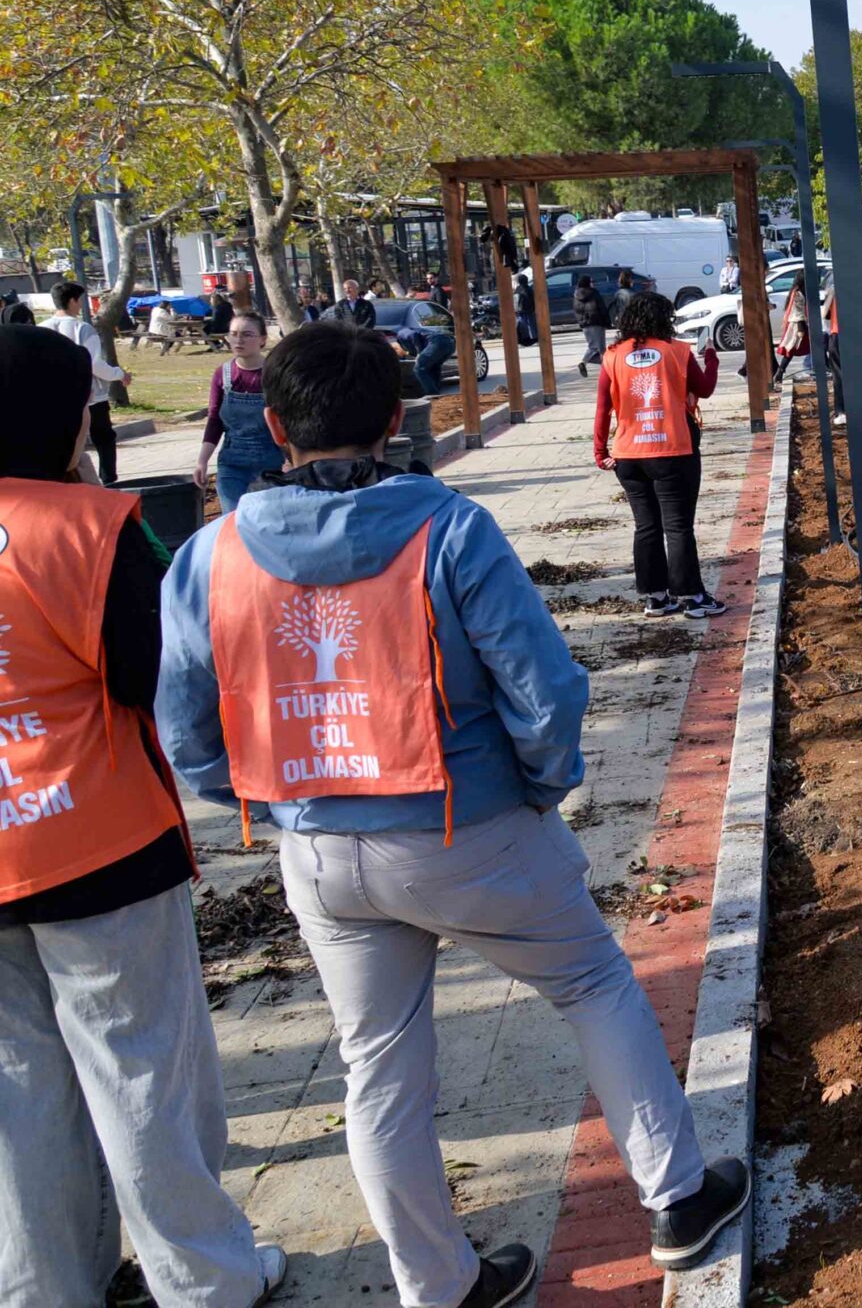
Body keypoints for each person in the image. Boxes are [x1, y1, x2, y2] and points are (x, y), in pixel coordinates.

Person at [157, 320, 750, 1308]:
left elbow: (185, 733)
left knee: (378, 1067)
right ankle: (679, 1199)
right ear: (397, 417)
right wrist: (540, 786)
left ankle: (439, 1286)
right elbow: (543, 688)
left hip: (320, 852)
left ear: (274, 426)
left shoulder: (207, 557)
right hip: (465, 828)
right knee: (593, 983)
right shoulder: (449, 528)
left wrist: (274, 797)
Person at [0, 325, 289, 1307]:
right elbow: (149, 673)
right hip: (96, 845)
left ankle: (50, 1287)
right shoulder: (87, 527)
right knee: (141, 1075)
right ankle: (207, 1281)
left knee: (20, 1094)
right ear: (61, 420)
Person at [594, 291, 725, 620]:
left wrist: (600, 451)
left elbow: (603, 407)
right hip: (672, 451)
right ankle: (692, 598)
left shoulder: (612, 355)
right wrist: (711, 357)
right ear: (663, 320)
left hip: (628, 455)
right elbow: (705, 388)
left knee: (646, 527)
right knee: (678, 527)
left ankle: (655, 598)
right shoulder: (676, 351)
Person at [196, 312, 286, 513]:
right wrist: (202, 461)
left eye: (247, 334)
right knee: (233, 522)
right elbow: (214, 420)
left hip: (272, 466)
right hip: (232, 465)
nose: (239, 340)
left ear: (262, 339)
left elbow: (288, 421)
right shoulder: (222, 374)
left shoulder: (274, 374)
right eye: (234, 334)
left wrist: (291, 460)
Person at [43, 279, 125, 487]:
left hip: (54, 394)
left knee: (65, 440)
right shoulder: (82, 329)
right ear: (72, 301)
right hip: (89, 394)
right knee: (103, 437)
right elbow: (94, 364)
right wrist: (119, 374)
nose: (81, 305)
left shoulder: (42, 328)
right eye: (80, 300)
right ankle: (108, 479)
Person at [574, 273, 612, 377]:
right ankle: (584, 362)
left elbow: (576, 310)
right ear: (587, 283)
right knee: (598, 347)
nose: (593, 284)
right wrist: (607, 321)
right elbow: (601, 308)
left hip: (585, 325)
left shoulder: (576, 295)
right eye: (591, 282)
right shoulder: (594, 293)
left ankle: (605, 368)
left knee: (594, 346)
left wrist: (581, 322)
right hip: (597, 322)